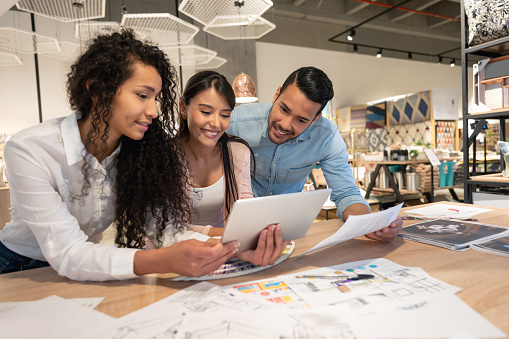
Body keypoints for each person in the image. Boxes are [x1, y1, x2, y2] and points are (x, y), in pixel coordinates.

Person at [0, 29, 239, 281]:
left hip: (85, 267)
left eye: (155, 98)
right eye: (142, 95)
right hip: (16, 269)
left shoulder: (140, 154)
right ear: (98, 89)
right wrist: (162, 259)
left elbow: (164, 232)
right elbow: (68, 252)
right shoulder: (30, 149)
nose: (154, 111)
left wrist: (233, 248)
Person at [226, 66, 402, 242]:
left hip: (289, 232)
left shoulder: (326, 136)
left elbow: (346, 192)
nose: (286, 125)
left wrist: (368, 224)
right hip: (236, 227)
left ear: (315, 119)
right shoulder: (236, 122)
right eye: (284, 109)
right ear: (276, 94)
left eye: (301, 120)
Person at [177, 70, 286, 266]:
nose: (216, 123)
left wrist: (256, 233)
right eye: (206, 112)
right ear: (183, 108)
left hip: (225, 253)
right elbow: (168, 229)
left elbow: (245, 208)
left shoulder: (237, 152)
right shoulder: (165, 157)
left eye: (225, 115)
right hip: (176, 256)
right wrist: (223, 234)